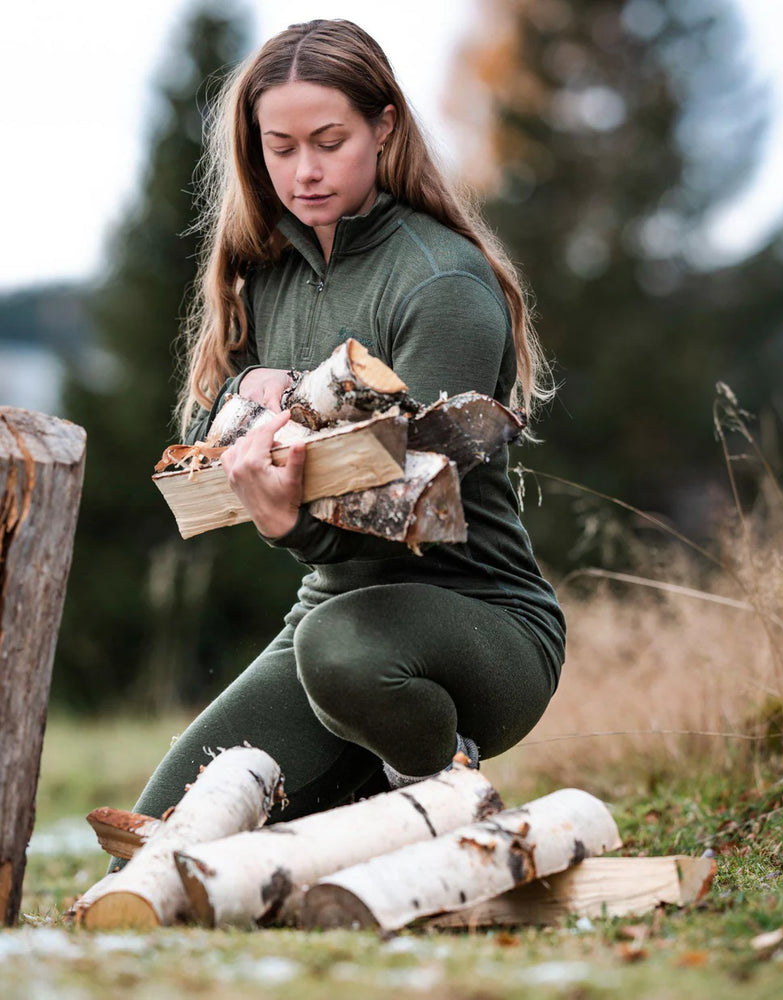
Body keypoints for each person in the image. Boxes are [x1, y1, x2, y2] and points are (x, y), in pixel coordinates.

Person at [128, 18, 565, 829]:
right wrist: (248, 392)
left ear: (384, 127)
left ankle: (444, 802)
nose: (305, 171)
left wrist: (289, 522)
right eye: (280, 146)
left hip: (480, 620)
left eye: (330, 141)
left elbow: (410, 507)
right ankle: (359, 822)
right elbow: (200, 423)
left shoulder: (443, 285)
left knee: (343, 649)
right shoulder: (265, 275)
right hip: (328, 617)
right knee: (157, 847)